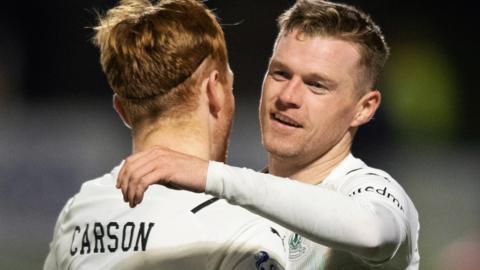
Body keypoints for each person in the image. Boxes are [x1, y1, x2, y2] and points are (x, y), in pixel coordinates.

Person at [117, 0, 420, 269]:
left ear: (363, 109)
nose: (288, 96)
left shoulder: (368, 191)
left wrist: (210, 175)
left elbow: (372, 233)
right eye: (280, 74)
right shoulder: (221, 213)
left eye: (317, 85)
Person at [43, 0, 286, 269]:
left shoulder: (79, 213)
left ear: (122, 111)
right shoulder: (240, 228)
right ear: (214, 90)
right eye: (230, 84)